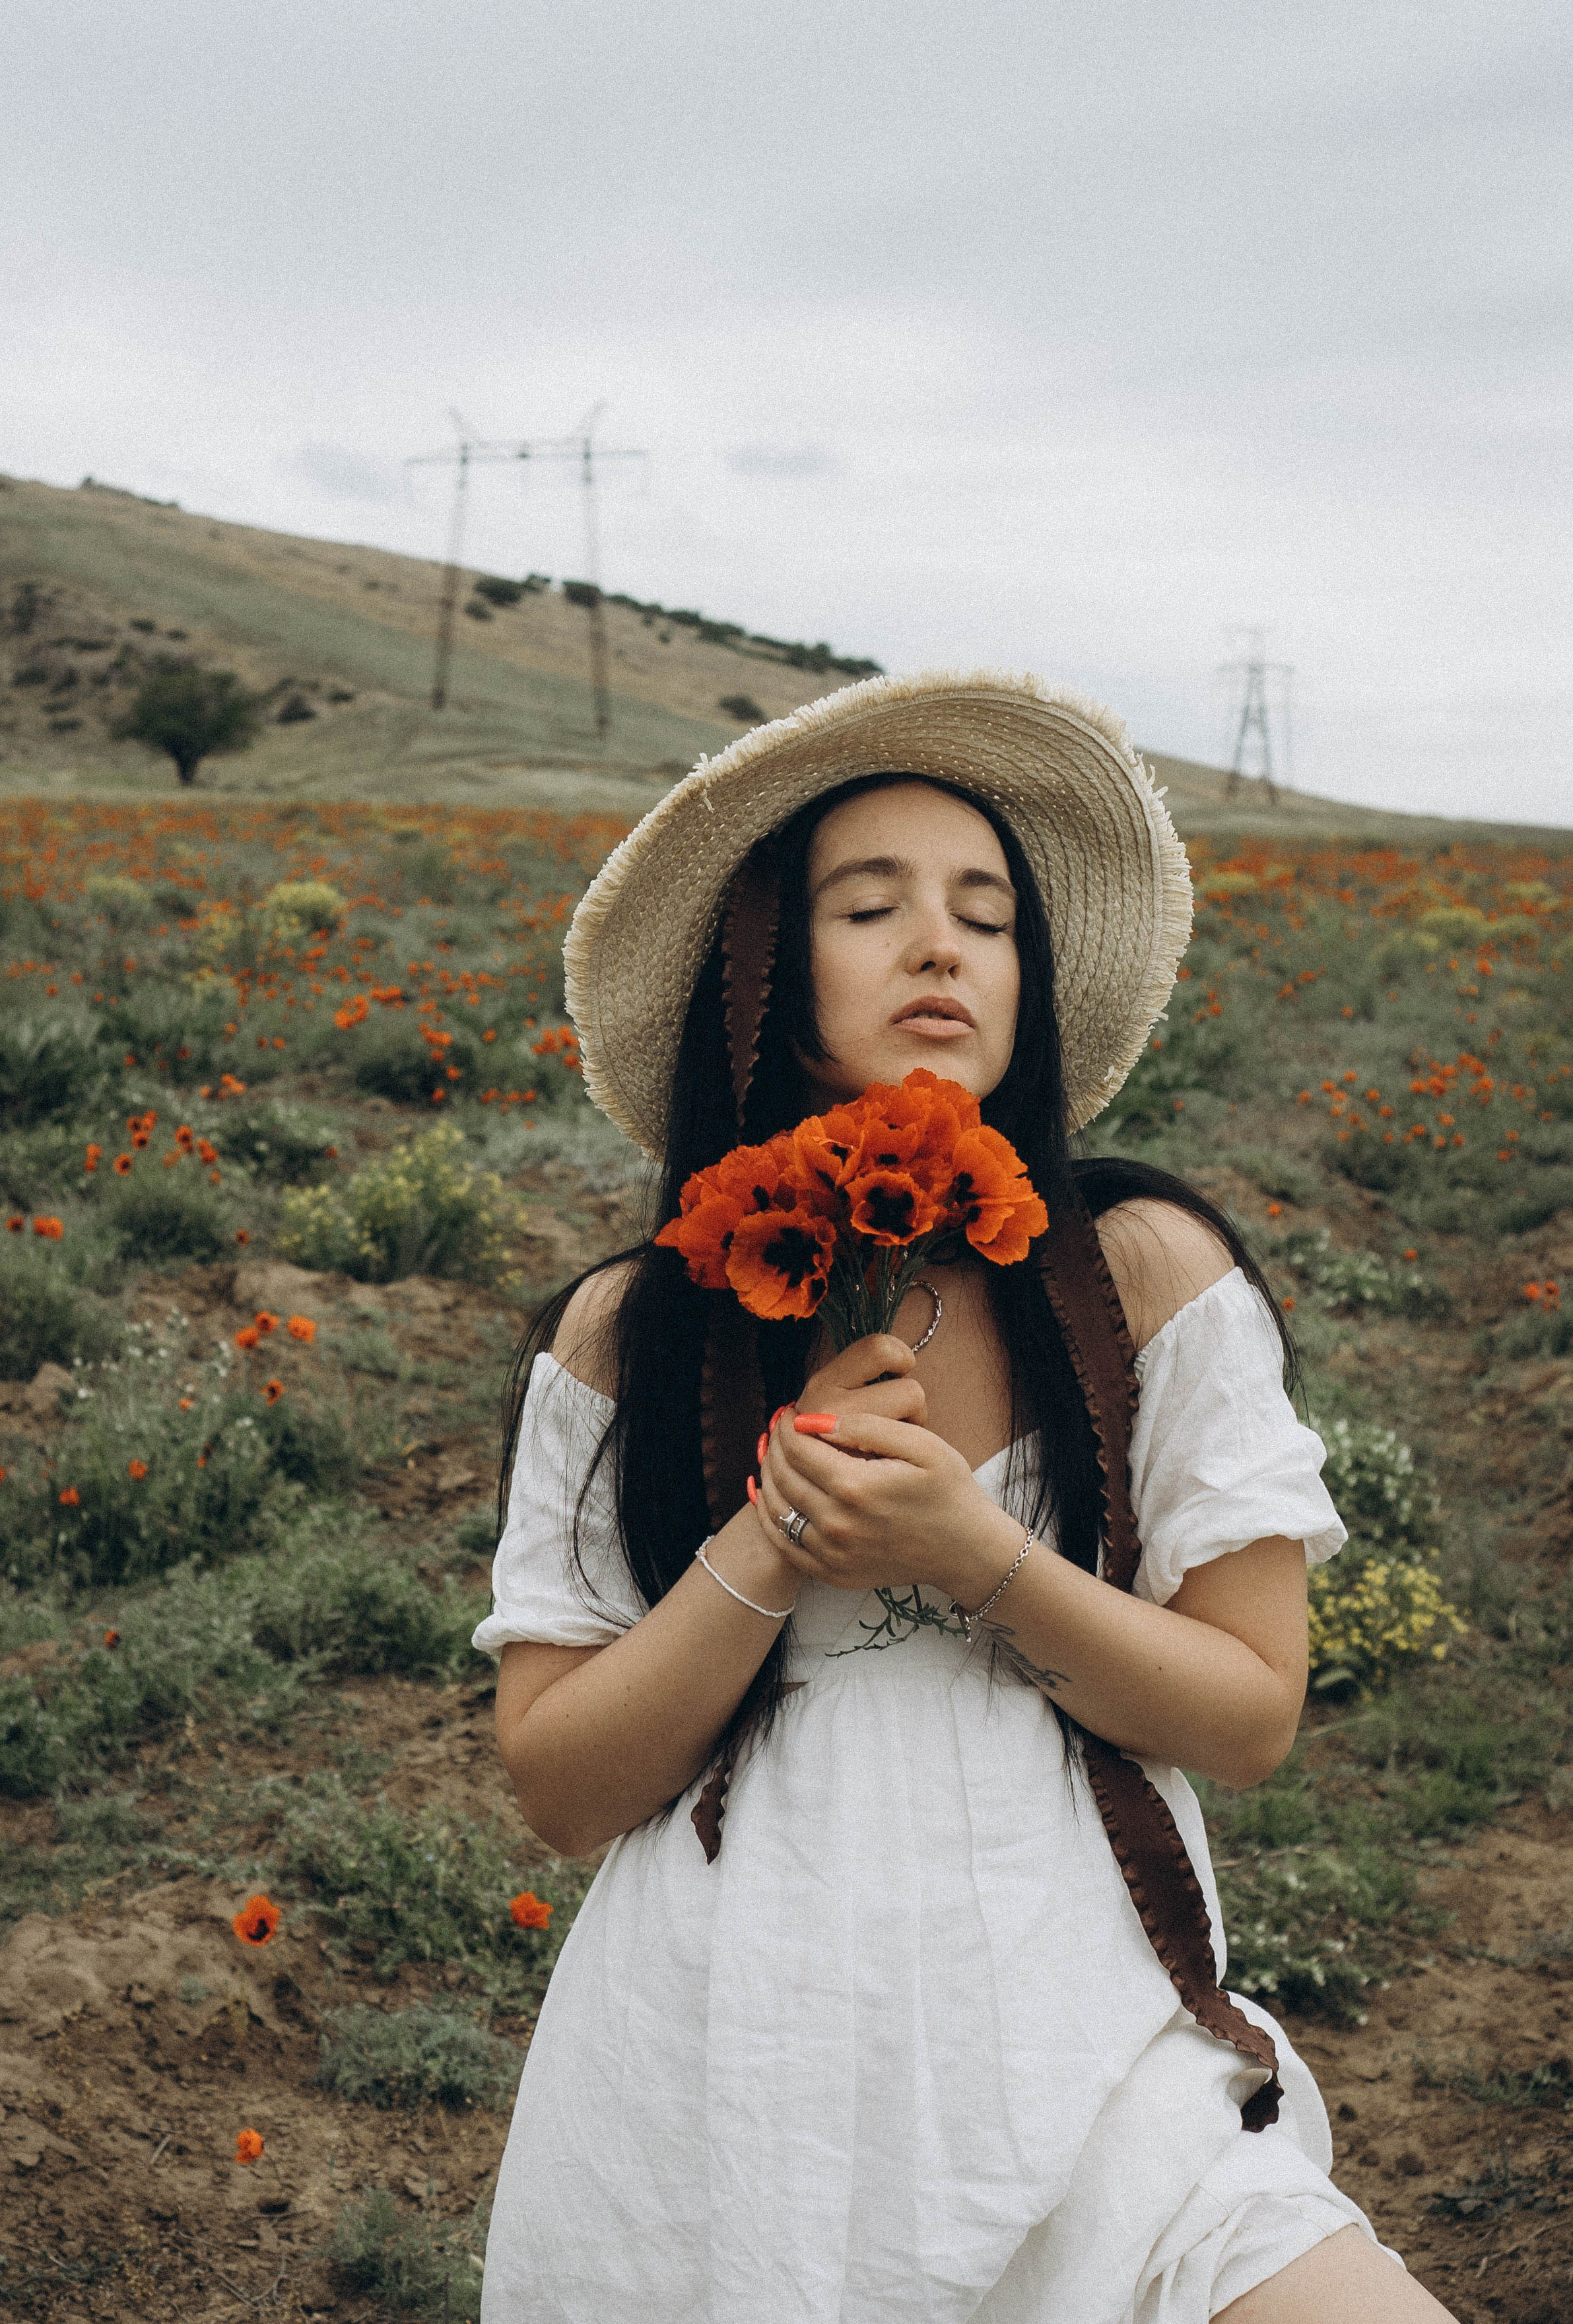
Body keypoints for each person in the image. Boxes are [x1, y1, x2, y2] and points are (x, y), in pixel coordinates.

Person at [472, 669, 1454, 2321]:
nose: (941, 945)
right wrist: (771, 1544)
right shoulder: (635, 1333)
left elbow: (1247, 1714)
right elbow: (565, 1789)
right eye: (874, 907)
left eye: (985, 918)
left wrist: (973, 1556)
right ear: (769, 986)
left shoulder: (1144, 1281)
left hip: (1089, 2042)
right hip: (729, 2069)